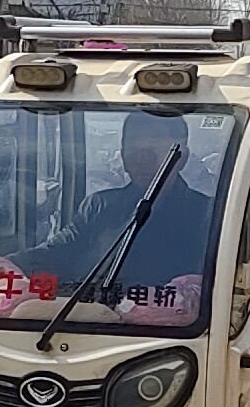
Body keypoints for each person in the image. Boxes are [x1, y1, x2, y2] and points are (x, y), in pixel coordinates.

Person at [44, 106, 225, 308]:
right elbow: (56, 251)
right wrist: (7, 264)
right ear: (123, 157)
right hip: (91, 320)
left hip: (170, 330)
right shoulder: (99, 207)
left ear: (181, 158)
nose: (141, 163)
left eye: (150, 155)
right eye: (135, 154)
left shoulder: (208, 216)